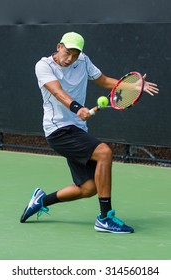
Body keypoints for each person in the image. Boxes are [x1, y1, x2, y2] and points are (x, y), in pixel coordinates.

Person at [20, 32, 159, 233]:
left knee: (88, 188)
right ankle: (105, 218)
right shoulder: (43, 66)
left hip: (77, 129)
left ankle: (41, 201)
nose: (70, 59)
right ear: (59, 47)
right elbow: (57, 92)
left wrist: (133, 86)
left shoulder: (83, 61)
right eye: (67, 53)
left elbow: (102, 80)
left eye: (75, 55)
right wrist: (77, 108)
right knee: (104, 152)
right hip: (58, 130)